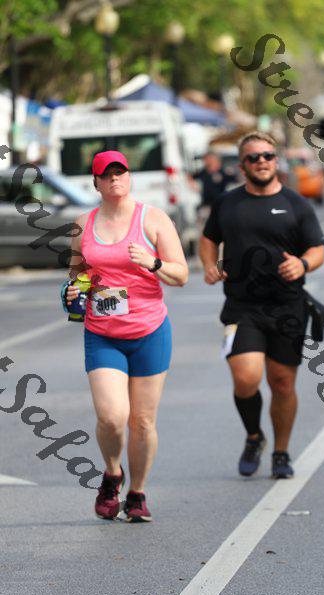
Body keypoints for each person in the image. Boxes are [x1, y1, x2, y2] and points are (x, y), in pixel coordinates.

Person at [64, 150, 188, 521]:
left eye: (120, 172)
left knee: (143, 422)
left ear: (129, 177)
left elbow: (181, 275)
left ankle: (137, 493)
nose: (115, 178)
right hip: (103, 332)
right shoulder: (83, 224)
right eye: (107, 174)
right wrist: (74, 290)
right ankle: (112, 473)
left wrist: (152, 262)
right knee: (112, 417)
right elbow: (77, 272)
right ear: (96, 183)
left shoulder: (154, 219)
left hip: (150, 330)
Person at [199, 132, 324, 479]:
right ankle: (254, 436)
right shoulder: (227, 203)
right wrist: (209, 265)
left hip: (287, 307)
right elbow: (208, 239)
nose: (261, 162)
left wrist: (303, 264)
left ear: (276, 160)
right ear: (242, 166)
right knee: (246, 378)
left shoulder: (296, 203)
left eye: (267, 155)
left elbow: (317, 249)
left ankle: (281, 452)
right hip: (242, 307)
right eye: (253, 157)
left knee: (282, 383)